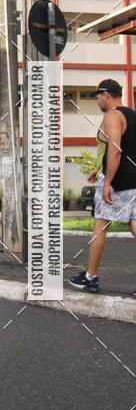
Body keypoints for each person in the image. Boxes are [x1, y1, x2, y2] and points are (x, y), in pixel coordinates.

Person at [69, 79, 136, 294]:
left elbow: (115, 149)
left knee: (100, 225)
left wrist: (107, 181)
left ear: (106, 95)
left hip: (117, 182)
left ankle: (91, 277)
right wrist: (98, 168)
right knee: (134, 226)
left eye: (98, 96)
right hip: (133, 180)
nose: (97, 101)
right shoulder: (132, 115)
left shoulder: (112, 116)